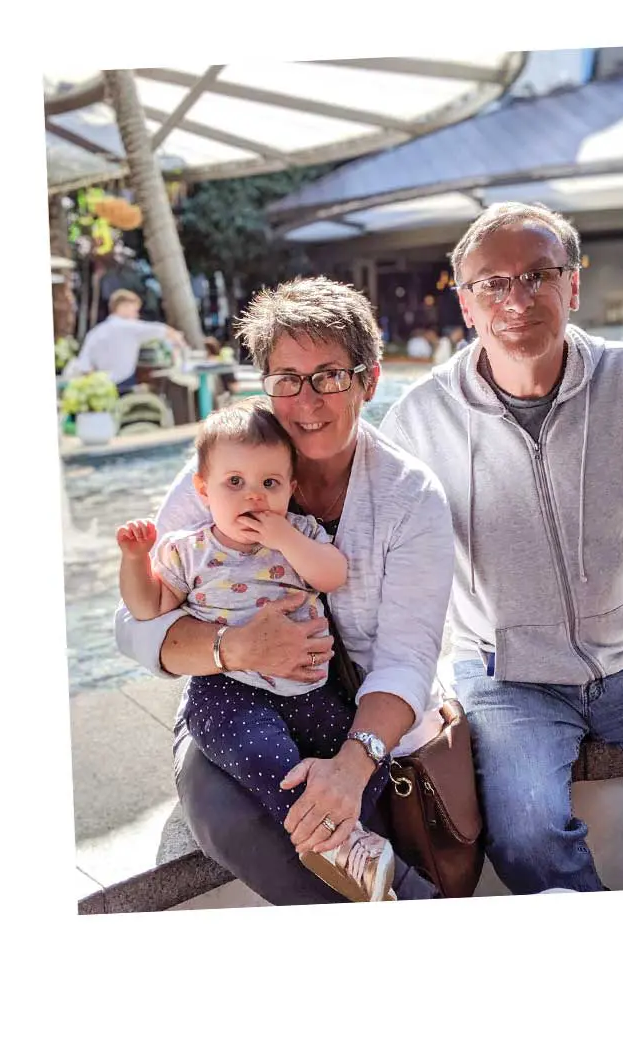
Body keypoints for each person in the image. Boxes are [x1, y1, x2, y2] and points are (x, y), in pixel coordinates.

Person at [114, 278, 455, 904]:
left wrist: (354, 765)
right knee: (229, 817)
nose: (307, 400)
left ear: (369, 381)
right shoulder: (225, 474)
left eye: (329, 376)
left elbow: (408, 659)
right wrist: (232, 649)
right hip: (233, 701)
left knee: (349, 813)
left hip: (351, 714)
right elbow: (137, 624)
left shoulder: (410, 498)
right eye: (287, 378)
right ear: (265, 384)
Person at [380, 201, 623, 895]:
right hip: (505, 675)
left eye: (540, 275)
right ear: (466, 302)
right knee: (527, 833)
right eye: (494, 283)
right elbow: (392, 574)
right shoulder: (416, 421)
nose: (518, 298)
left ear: (574, 285)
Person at [114, 399, 395, 901]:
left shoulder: (300, 536)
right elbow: (146, 608)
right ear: (203, 490)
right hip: (231, 692)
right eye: (234, 483)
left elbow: (332, 574)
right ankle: (339, 843)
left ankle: (337, 827)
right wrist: (136, 560)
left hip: (309, 690)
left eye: (270, 484)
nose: (254, 498)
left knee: (361, 756)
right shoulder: (189, 550)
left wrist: (286, 536)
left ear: (291, 488)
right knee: (257, 753)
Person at [64, 288, 187, 392]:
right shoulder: (130, 327)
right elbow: (163, 330)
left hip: (99, 387)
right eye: (135, 311)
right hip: (124, 385)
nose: (137, 316)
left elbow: (84, 365)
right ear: (123, 307)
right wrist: (181, 344)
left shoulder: (94, 333)